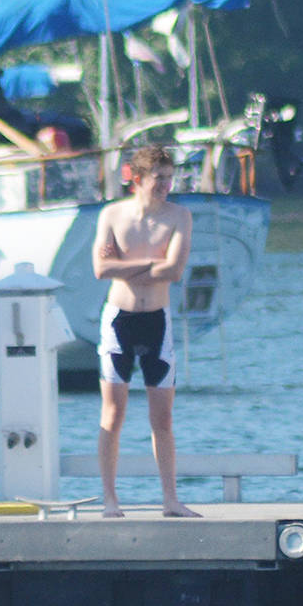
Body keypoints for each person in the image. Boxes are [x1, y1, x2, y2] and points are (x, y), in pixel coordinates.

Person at [93, 144, 198, 518]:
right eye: (159, 178)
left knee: (162, 417)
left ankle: (170, 499)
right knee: (113, 413)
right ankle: (110, 499)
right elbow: (101, 270)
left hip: (157, 320)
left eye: (170, 178)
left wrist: (127, 265)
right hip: (119, 318)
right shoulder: (113, 215)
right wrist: (151, 261)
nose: (166, 185)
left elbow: (174, 271)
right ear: (136, 179)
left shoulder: (179, 217)